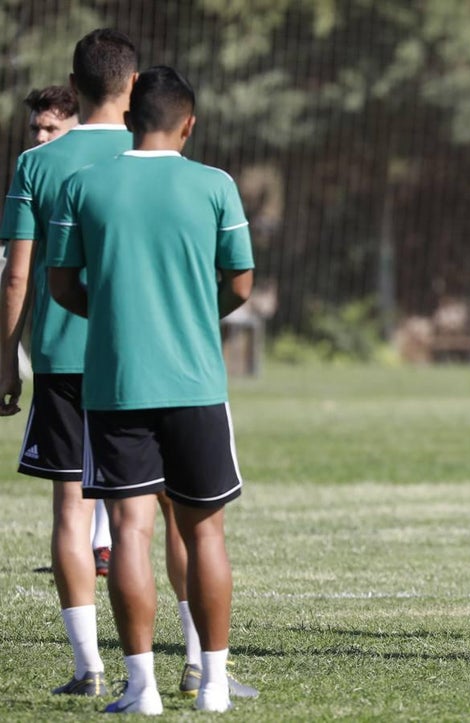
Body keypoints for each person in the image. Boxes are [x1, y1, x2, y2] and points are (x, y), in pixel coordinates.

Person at [49, 63, 255, 714]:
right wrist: (196, 313)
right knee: (206, 533)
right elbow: (241, 284)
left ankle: (141, 690)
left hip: (115, 385)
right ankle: (214, 685)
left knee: (129, 530)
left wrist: (113, 314)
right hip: (196, 382)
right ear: (189, 123)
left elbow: (61, 285)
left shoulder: (82, 184)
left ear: (130, 119)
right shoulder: (215, 185)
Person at [17, 85, 116, 577]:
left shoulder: (36, 168)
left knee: (70, 499)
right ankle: (198, 651)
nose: (40, 135)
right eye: (35, 126)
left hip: (64, 350)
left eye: (51, 126)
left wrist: (6, 354)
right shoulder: (145, 153)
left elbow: (16, 274)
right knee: (141, 499)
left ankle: (86, 654)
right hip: (131, 352)